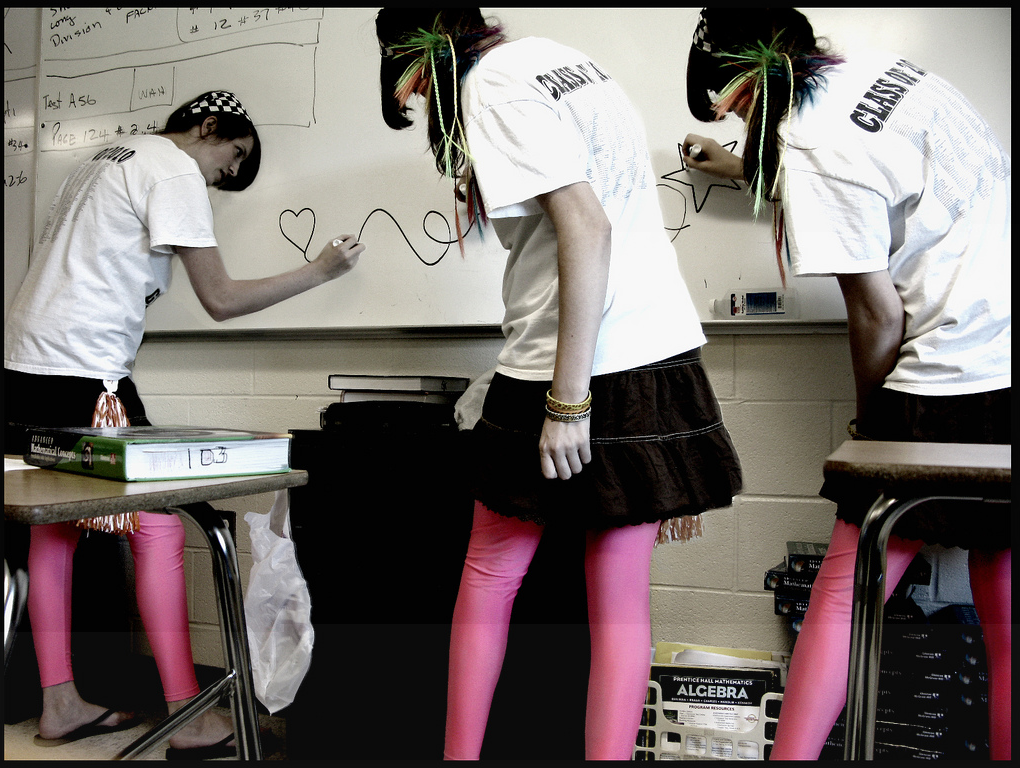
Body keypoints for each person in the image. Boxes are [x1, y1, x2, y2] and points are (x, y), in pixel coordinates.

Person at [375, 8, 742, 760]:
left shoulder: (488, 85)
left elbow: (587, 226)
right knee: (618, 598)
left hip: (564, 362)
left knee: (491, 571)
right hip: (653, 352)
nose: (420, 99)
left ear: (418, 59)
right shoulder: (555, 59)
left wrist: (568, 402)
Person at [681, 8, 1010, 760]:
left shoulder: (811, 145)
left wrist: (870, 432)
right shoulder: (881, 72)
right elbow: (873, 171)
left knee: (844, 594)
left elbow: (877, 313)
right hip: (1006, 356)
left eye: (733, 106)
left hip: (952, 369)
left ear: (747, 84)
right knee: (1004, 599)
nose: (735, 119)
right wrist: (743, 169)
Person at [4, 90, 364, 758]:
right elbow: (220, 299)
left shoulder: (105, 160)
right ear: (208, 126)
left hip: (24, 364)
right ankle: (187, 714)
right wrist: (320, 271)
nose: (230, 173)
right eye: (235, 154)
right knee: (161, 524)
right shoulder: (172, 168)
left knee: (54, 529)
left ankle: (59, 703)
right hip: (83, 373)